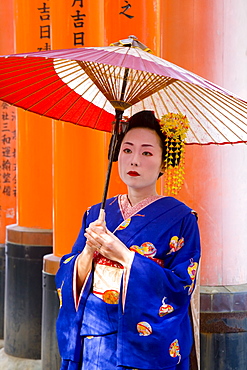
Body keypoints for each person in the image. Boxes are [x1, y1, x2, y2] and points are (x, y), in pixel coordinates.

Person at [56, 110, 201, 370]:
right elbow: (67, 272)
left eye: (146, 153)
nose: (134, 160)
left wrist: (124, 255)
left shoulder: (182, 219)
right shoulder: (95, 212)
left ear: (164, 162)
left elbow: (180, 285)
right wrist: (88, 252)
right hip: (96, 337)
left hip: (145, 343)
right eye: (127, 150)